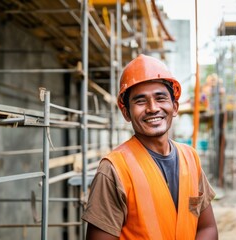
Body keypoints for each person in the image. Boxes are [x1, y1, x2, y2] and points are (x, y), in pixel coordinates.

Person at [82, 54, 218, 240]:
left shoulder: (190, 158)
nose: (152, 108)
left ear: (175, 107)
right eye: (140, 101)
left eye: (160, 98)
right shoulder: (114, 169)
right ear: (126, 113)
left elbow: (207, 228)